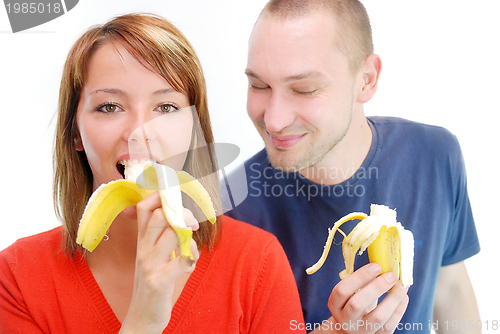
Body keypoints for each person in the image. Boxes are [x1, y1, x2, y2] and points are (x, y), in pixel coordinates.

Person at [0, 14, 305, 333]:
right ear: (75, 132)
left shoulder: (257, 262)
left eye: (166, 107)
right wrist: (144, 318)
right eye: (109, 107)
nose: (139, 132)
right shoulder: (16, 278)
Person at [225, 0, 481, 333]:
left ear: (367, 79)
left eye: (304, 89)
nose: (273, 120)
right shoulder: (232, 211)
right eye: (258, 85)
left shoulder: (436, 155)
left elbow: (450, 288)